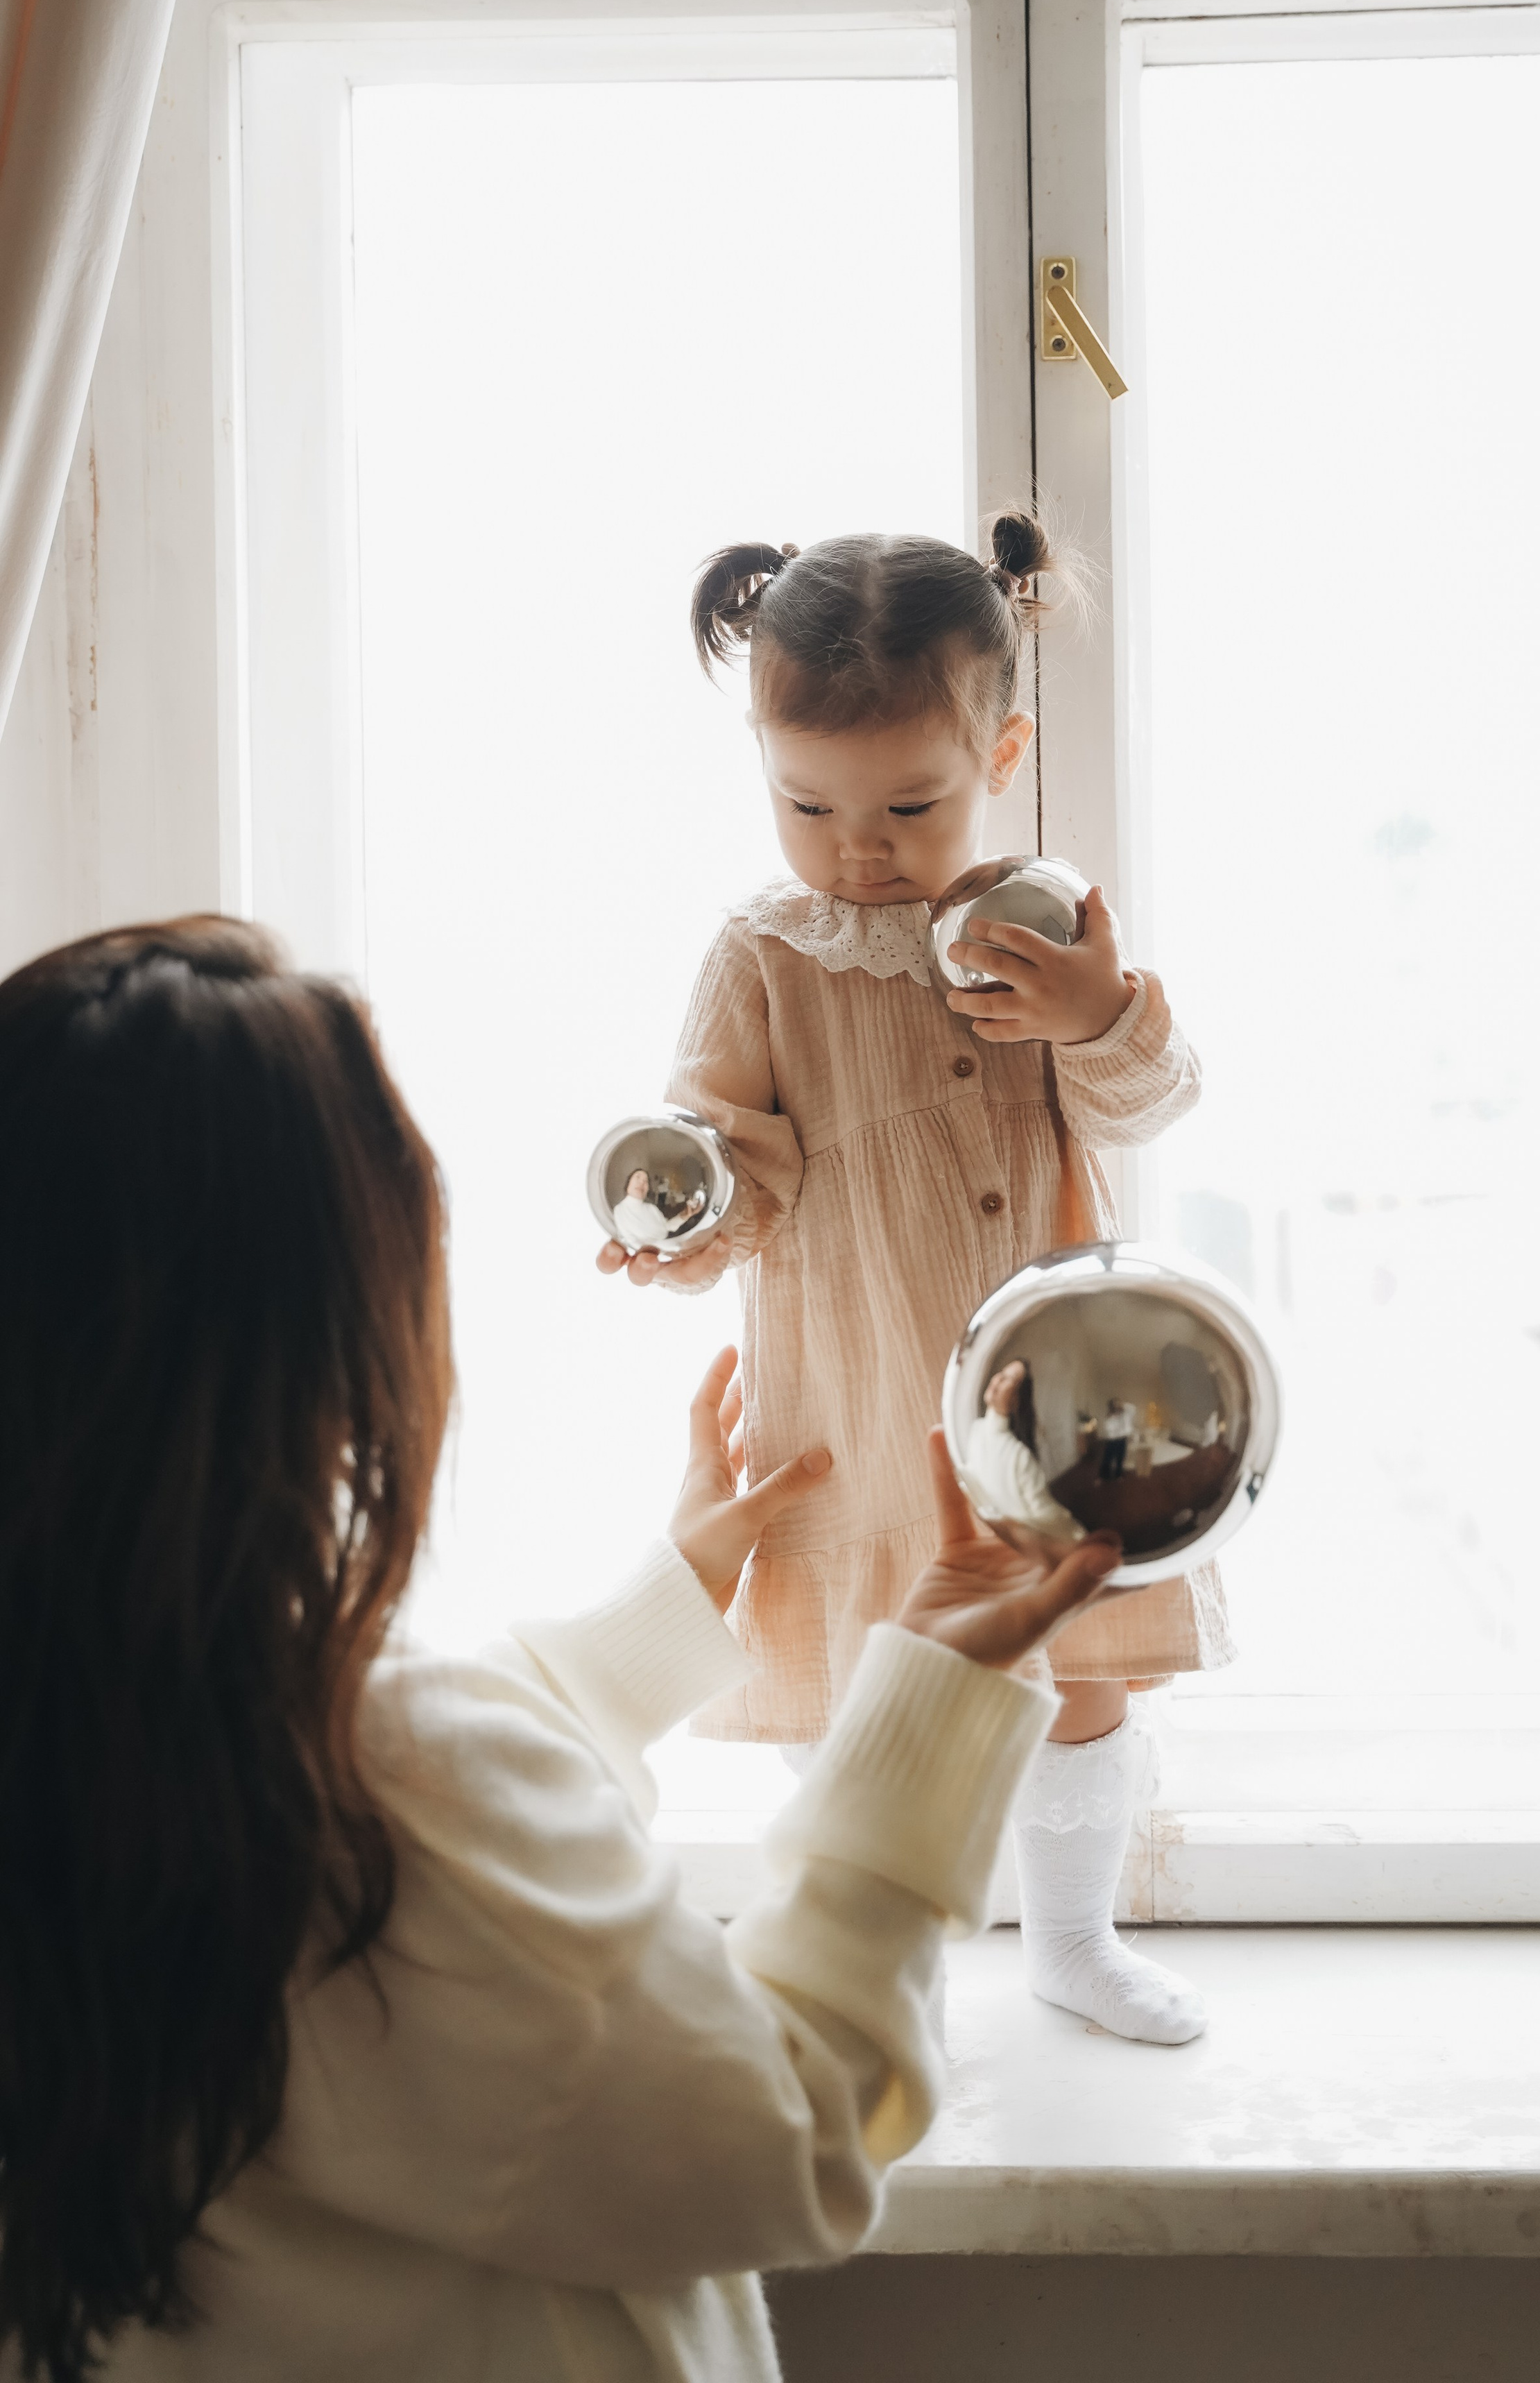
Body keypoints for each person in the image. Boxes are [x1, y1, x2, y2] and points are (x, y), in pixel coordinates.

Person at [0, 918, 1122, 2383]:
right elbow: (791, 2126)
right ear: (333, 1336)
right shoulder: (381, 1813)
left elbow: (416, 1768)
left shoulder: (87, 1735)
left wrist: (670, 1603)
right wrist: (925, 1704)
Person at [597, 518, 1232, 2047]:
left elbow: (1146, 1109)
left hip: (1053, 1392)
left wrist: (1099, 1013)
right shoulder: (766, 951)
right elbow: (730, 1168)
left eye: (907, 802)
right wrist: (675, 1216)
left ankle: (1072, 1942)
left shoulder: (1040, 928)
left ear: (1000, 751)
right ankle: (870, 1976)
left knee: (1076, 1685)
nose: (857, 845)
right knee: (853, 1708)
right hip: (855, 1388)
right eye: (804, 802)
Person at [963, 1358, 1084, 1548]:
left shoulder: (1017, 1454)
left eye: (1009, 1378)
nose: (999, 1379)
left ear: (1016, 1401)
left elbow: (1046, 1515)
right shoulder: (975, 1430)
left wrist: (1079, 1535)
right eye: (1001, 1373)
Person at [613, 1163, 705, 1252]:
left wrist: (687, 1214)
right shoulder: (620, 1210)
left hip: (669, 1244)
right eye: (638, 1177)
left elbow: (667, 1227)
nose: (642, 1182)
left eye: (646, 1181)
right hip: (650, 1255)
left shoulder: (651, 1208)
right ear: (628, 1184)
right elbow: (631, 1242)